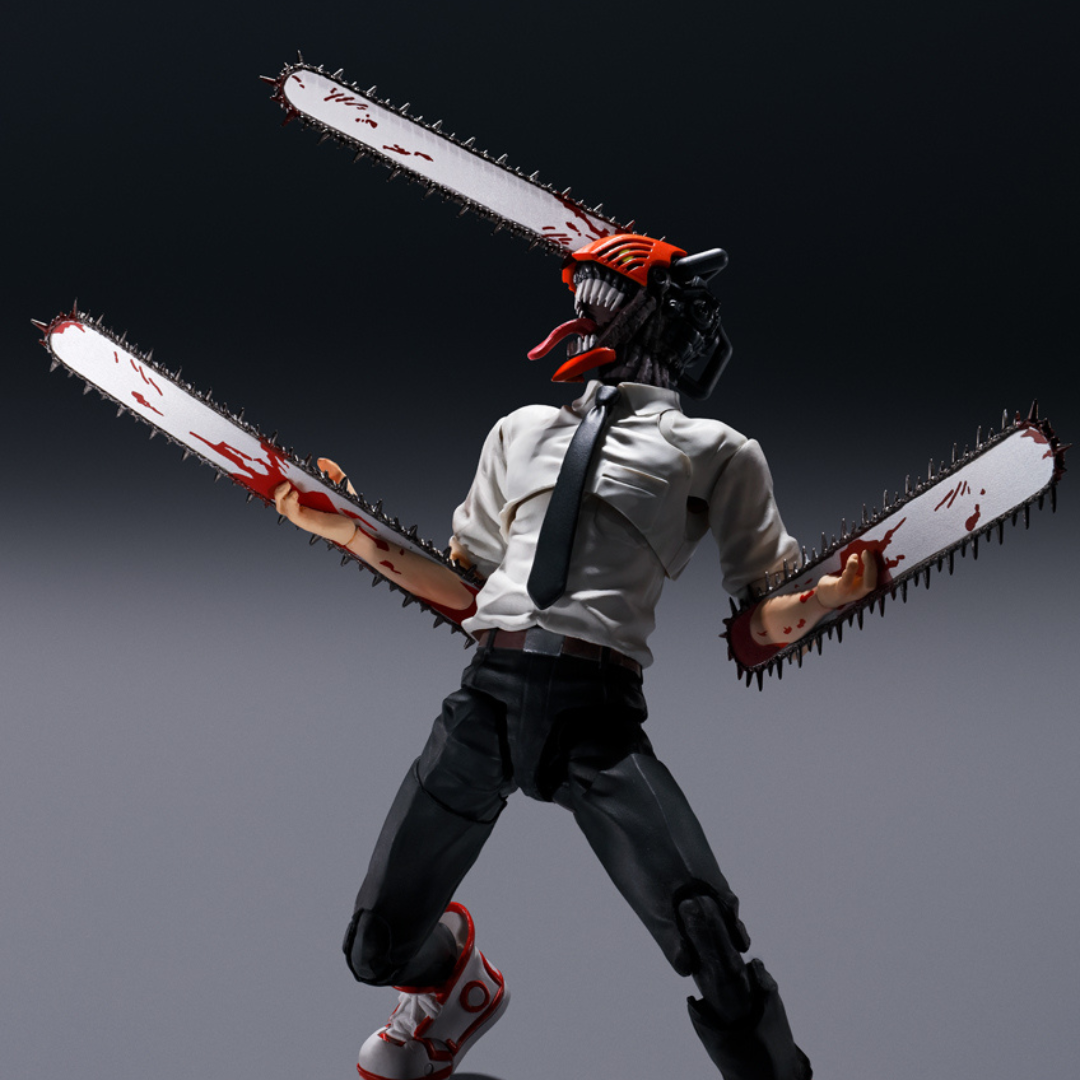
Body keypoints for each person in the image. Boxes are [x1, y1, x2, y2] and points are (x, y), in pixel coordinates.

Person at [273, 234, 876, 1080]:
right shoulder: (519, 432)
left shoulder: (717, 452)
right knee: (375, 948)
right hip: (487, 699)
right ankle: (456, 990)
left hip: (596, 716)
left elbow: (757, 629)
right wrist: (347, 531)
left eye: (602, 301)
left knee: (706, 931)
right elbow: (464, 592)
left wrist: (829, 598)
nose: (580, 315)